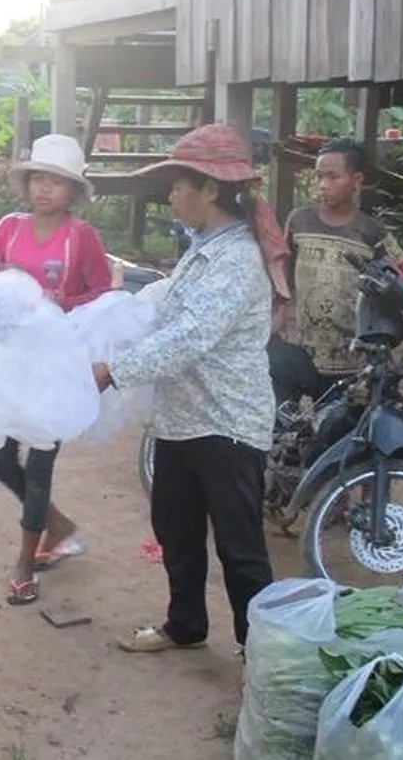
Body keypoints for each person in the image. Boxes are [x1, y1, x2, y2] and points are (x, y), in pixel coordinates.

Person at [91, 123, 276, 655]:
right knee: (176, 529)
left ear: (211, 190)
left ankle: (258, 653)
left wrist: (113, 370)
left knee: (240, 548)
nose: (170, 194)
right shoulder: (201, 250)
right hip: (181, 419)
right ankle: (186, 623)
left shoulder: (238, 258)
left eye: (178, 185)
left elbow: (192, 335)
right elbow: (161, 300)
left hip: (228, 422)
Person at [0, 133, 110, 605]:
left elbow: (101, 296)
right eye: (38, 178)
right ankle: (57, 526)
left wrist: (54, 303)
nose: (45, 189)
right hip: (9, 362)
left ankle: (24, 562)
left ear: (73, 191)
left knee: (38, 466)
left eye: (57, 182)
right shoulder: (7, 229)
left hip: (53, 367)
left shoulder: (82, 238)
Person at [273, 138, 403, 404]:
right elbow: (280, 271)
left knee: (333, 433)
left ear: (356, 180)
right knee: (285, 429)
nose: (323, 184)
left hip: (347, 361)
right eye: (319, 176)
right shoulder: (299, 220)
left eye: (333, 177)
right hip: (297, 349)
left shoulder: (370, 231)